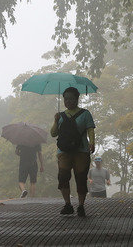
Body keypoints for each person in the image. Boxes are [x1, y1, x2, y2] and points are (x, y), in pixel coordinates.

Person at [51, 86, 96, 217]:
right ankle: (67, 204)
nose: (68, 101)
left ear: (77, 99)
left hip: (81, 151)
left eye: (71, 99)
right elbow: (53, 133)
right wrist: (55, 120)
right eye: (66, 99)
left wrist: (92, 143)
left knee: (81, 178)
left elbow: (90, 129)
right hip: (63, 152)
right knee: (63, 177)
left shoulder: (85, 114)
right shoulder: (60, 116)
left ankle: (81, 206)